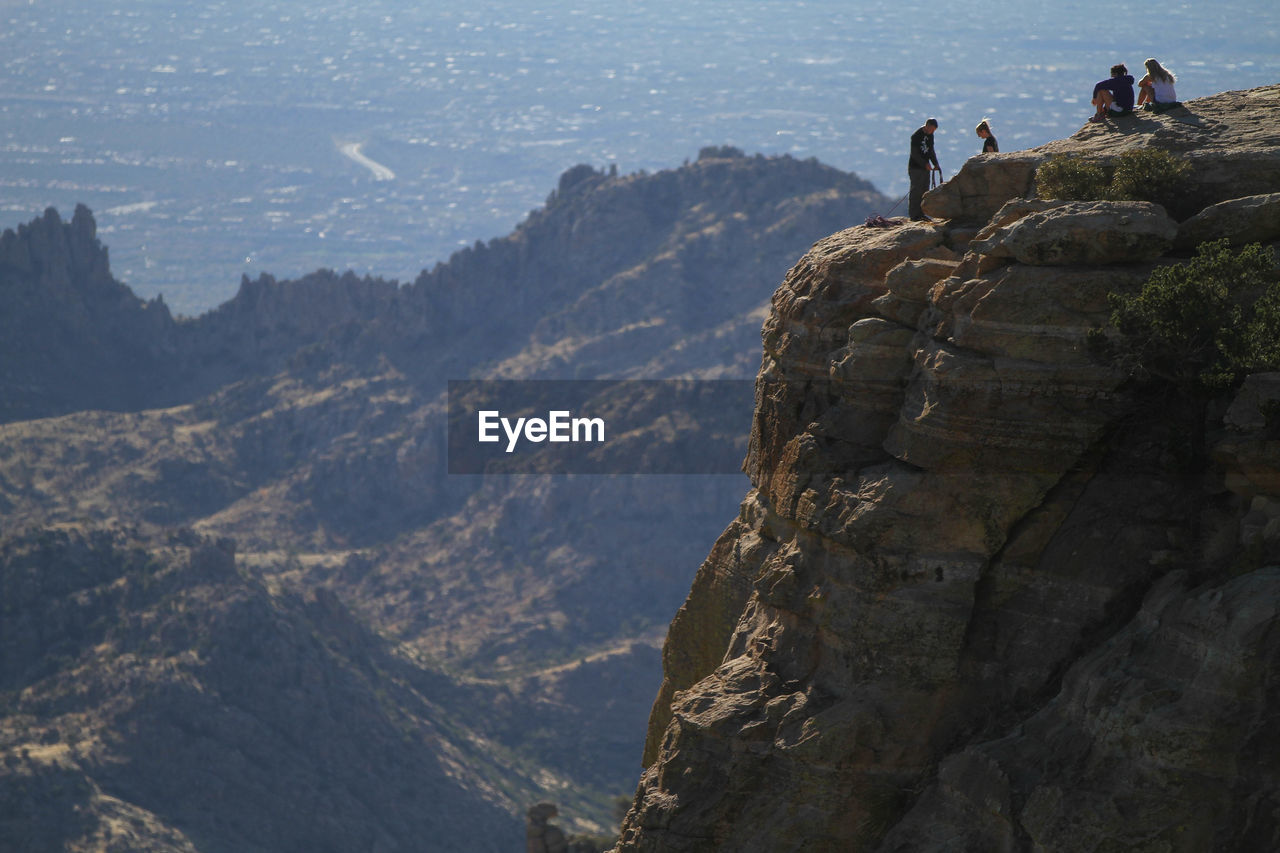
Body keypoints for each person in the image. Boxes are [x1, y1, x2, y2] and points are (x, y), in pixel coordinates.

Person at [907, 118, 941, 221]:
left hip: (925, 168)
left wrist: (935, 164)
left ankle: (921, 213)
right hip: (915, 168)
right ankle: (914, 215)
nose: (932, 132)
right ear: (927, 126)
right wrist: (924, 163)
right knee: (916, 191)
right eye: (932, 129)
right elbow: (915, 154)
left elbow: (931, 150)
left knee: (925, 190)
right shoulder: (916, 136)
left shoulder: (930, 136)